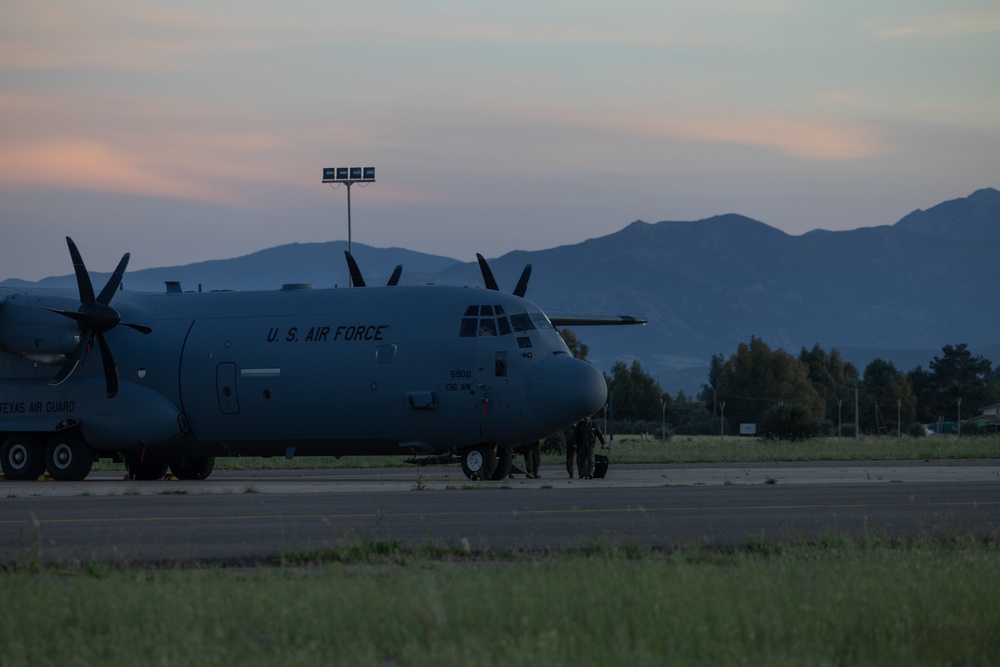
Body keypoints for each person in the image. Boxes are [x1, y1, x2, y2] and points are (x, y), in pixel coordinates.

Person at [573, 414, 607, 479]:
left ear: (590, 417)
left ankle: (590, 473)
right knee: (580, 460)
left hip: (590, 444)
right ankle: (581, 473)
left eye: (588, 417)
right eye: (585, 417)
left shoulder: (594, 424)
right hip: (581, 445)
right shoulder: (580, 424)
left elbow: (599, 434)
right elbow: (575, 434)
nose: (586, 418)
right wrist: (574, 443)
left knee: (591, 460)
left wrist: (603, 443)